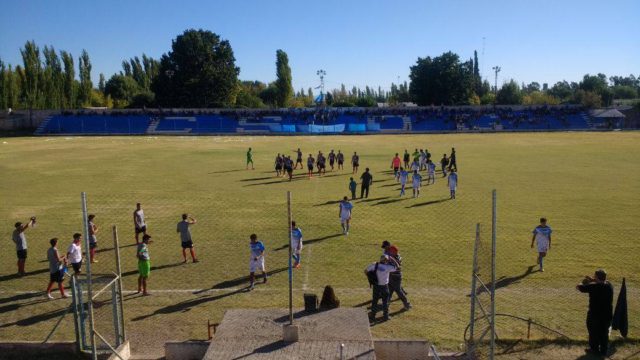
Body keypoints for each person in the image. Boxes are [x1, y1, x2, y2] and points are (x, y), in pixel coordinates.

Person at [576, 269, 614, 356]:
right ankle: (603, 351)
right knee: (604, 333)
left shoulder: (593, 287)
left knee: (593, 332)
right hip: (607, 315)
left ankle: (594, 349)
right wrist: (593, 280)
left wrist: (583, 282)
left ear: (597, 277)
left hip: (594, 315)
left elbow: (579, 287)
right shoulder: (609, 285)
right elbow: (603, 281)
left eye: (594, 276)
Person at [364, 255, 398, 322]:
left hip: (376, 286)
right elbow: (397, 266)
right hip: (384, 286)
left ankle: (373, 315)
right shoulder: (388, 267)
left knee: (375, 300)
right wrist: (392, 259)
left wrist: (370, 277)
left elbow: (365, 271)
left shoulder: (374, 265)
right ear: (386, 261)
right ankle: (386, 316)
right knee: (385, 301)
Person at [382, 241, 411, 310]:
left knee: (398, 291)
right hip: (392, 276)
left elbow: (387, 264)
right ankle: (386, 305)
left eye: (389, 251)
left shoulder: (392, 259)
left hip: (395, 277)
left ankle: (407, 304)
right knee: (389, 291)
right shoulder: (398, 256)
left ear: (392, 252)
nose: (388, 251)